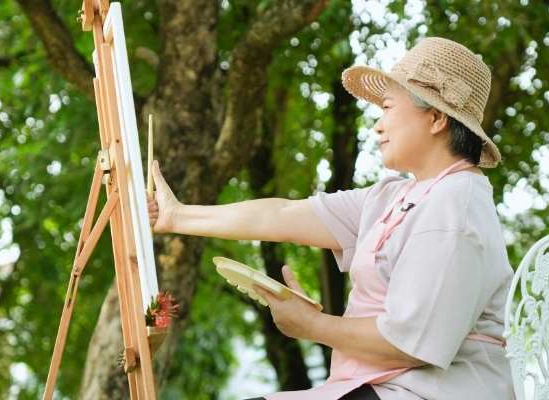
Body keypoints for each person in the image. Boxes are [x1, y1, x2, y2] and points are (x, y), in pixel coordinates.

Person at [147, 37, 515, 400]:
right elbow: (282, 214)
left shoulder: (455, 206)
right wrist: (177, 215)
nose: (378, 126)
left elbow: (409, 344)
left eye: (387, 107)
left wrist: (312, 326)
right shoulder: (397, 197)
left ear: (435, 118)